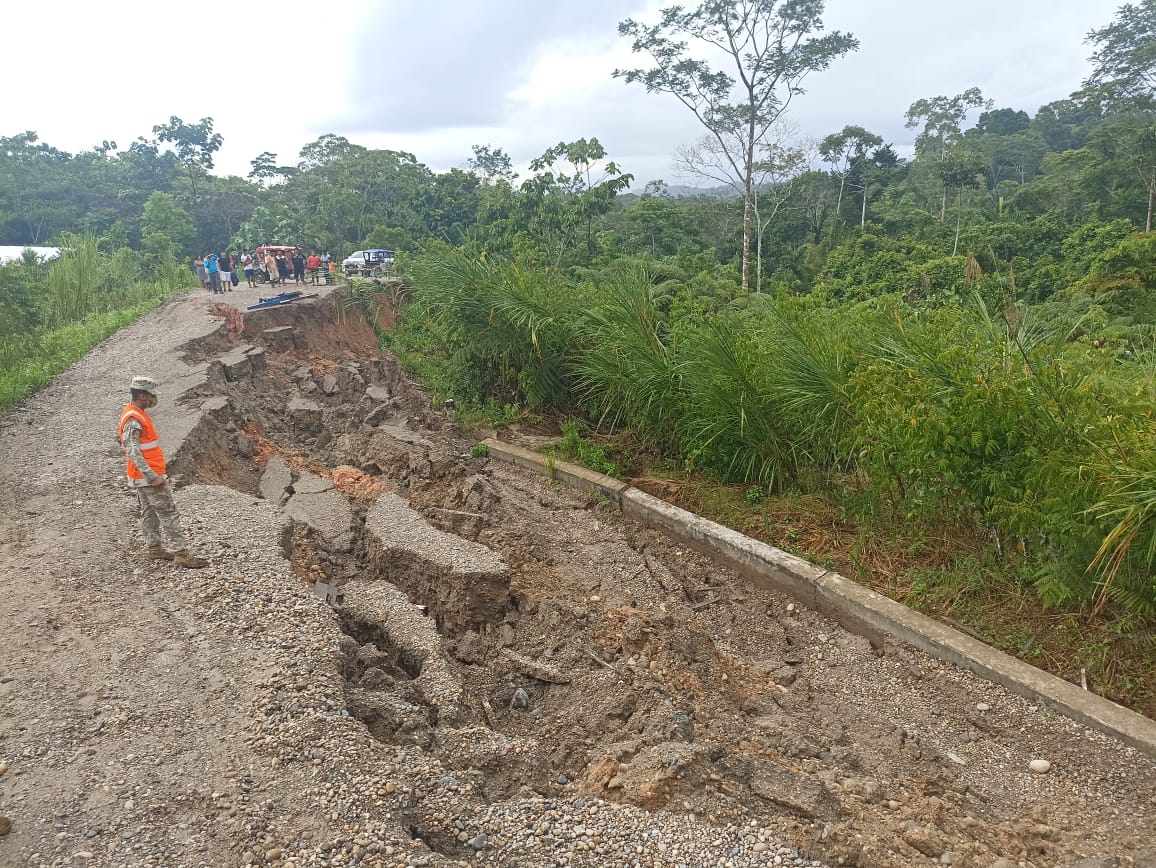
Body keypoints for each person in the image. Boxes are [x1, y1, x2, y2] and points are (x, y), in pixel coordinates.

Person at [118, 377, 208, 569]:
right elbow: (132, 450)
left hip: (140, 477)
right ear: (142, 395)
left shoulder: (135, 413)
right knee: (168, 512)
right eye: (150, 395)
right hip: (147, 478)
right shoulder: (134, 418)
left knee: (149, 512)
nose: (153, 399)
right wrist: (152, 476)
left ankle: (155, 548)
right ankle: (181, 553)